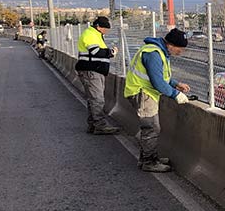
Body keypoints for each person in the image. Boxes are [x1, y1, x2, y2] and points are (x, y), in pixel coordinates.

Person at [124, 28, 191, 172]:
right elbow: (157, 82)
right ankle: (149, 162)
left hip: (144, 92)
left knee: (150, 127)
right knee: (151, 127)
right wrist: (175, 94)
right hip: (142, 93)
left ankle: (148, 158)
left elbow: (162, 76)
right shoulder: (153, 54)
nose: (181, 52)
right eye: (180, 48)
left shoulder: (159, 52)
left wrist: (175, 84)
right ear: (171, 44)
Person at [76, 16, 120, 135]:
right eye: (105, 29)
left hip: (94, 71)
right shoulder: (90, 34)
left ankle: (93, 124)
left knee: (93, 99)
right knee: (97, 99)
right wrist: (111, 52)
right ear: (98, 27)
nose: (107, 31)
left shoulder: (95, 35)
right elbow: (96, 52)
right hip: (91, 71)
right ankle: (100, 125)